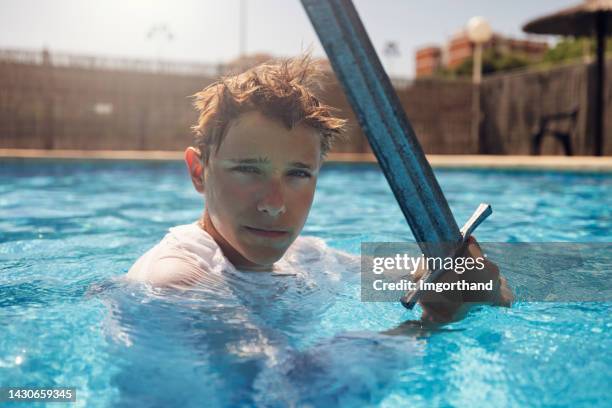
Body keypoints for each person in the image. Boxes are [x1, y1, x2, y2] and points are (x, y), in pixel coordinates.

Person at [126, 55, 513, 323]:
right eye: (248, 170)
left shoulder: (306, 255)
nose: (275, 204)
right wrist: (430, 327)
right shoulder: (176, 284)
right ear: (198, 172)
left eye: (297, 174)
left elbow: (417, 275)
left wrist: (476, 282)